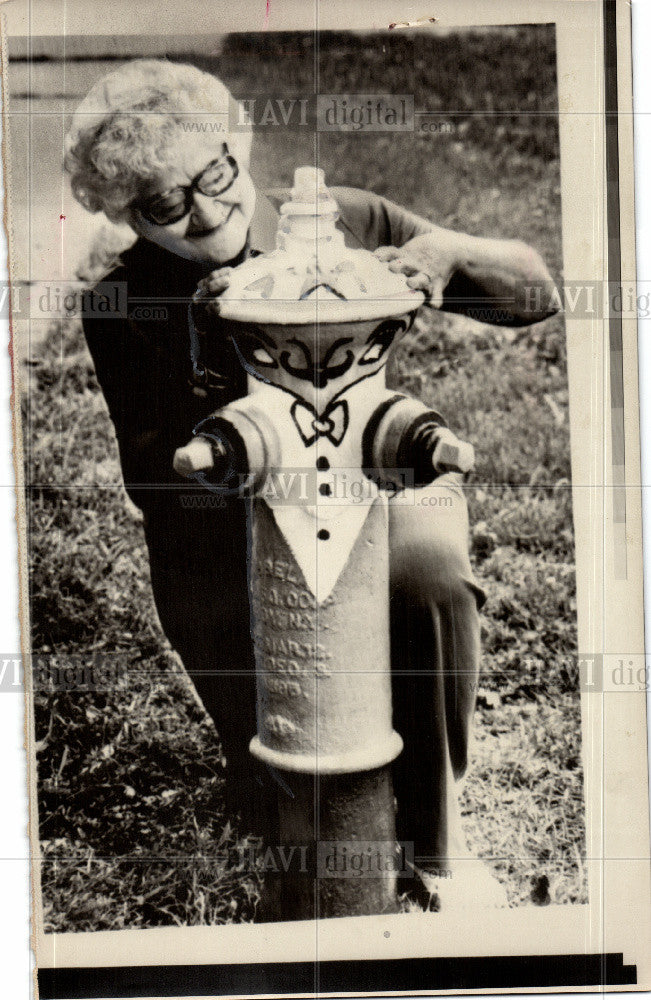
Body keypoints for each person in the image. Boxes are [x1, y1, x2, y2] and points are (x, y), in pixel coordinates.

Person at [65, 58, 557, 911]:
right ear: (128, 219)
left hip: (375, 485)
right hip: (223, 529)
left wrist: (450, 254)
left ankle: (442, 841)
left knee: (432, 566)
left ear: (237, 145)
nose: (207, 211)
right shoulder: (122, 301)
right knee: (290, 796)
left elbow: (535, 297)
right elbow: (156, 485)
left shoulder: (344, 222)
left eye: (214, 176)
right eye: (164, 205)